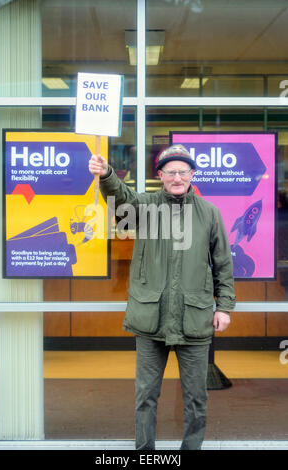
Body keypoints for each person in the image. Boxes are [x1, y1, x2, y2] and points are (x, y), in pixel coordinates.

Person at [89, 144, 236, 450]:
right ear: (160, 175)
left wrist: (224, 307)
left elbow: (223, 264)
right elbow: (122, 203)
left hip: (193, 321)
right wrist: (107, 176)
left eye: (183, 171)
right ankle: (145, 454)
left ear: (193, 174)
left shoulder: (209, 213)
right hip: (150, 320)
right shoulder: (145, 207)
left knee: (196, 399)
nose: (177, 177)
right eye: (170, 171)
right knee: (145, 397)